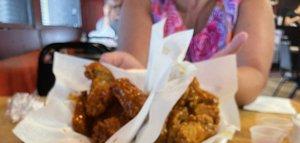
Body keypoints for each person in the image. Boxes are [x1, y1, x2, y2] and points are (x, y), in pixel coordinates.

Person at [100, 0, 274, 106]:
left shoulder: (252, 4)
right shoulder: (140, 3)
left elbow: (254, 78)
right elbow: (137, 78)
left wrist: (198, 78)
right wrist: (135, 76)